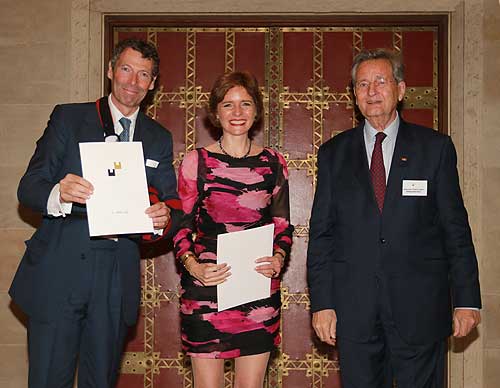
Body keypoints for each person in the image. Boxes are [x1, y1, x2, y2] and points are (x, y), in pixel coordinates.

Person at [9, 38, 182, 388]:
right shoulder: (69, 118)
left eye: (144, 75)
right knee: (47, 380)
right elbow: (29, 187)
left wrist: (164, 217)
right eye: (126, 69)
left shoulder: (158, 137)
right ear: (110, 71)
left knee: (100, 381)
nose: (133, 82)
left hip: (116, 275)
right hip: (62, 266)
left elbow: (173, 206)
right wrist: (59, 191)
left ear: (153, 84)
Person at [307, 49, 481, 388]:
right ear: (354, 95)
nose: (372, 91)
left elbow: (455, 230)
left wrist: (466, 299)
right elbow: (322, 235)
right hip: (354, 312)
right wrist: (323, 303)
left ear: (400, 90)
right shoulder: (333, 154)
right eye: (362, 84)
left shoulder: (435, 148)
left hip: (420, 308)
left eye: (381, 81)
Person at [173, 71, 294, 388]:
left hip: (257, 289)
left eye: (245, 104)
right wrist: (193, 266)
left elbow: (281, 225)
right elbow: (180, 225)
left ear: (256, 112)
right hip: (206, 287)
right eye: (228, 105)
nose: (237, 113)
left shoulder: (273, 162)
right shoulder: (195, 162)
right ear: (216, 113)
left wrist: (279, 257)